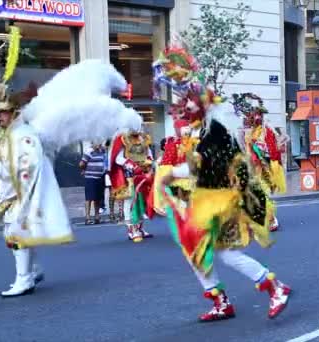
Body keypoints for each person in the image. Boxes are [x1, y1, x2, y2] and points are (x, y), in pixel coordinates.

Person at [0, 33, 141, 298]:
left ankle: (25, 277)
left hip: (25, 193)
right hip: (18, 193)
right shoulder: (13, 133)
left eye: (2, 113)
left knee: (15, 234)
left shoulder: (24, 134)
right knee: (19, 233)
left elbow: (28, 164)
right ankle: (31, 272)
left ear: (12, 114)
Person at [153, 42, 291, 322]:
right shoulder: (201, 130)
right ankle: (225, 301)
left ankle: (273, 288)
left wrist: (173, 174)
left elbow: (206, 165)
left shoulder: (215, 130)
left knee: (210, 251)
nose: (181, 111)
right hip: (208, 199)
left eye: (185, 106)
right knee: (207, 253)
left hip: (220, 201)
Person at [235, 93, 286, 231]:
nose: (254, 119)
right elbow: (241, 149)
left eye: (257, 116)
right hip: (250, 167)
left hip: (264, 168)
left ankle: (271, 219)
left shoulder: (267, 130)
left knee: (263, 193)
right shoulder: (244, 133)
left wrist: (280, 144)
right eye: (250, 117)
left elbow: (282, 140)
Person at [108, 129, 155, 243]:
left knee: (141, 201)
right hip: (129, 176)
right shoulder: (123, 139)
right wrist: (131, 164)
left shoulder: (143, 137)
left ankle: (140, 228)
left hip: (143, 174)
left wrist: (149, 163)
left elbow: (149, 154)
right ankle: (132, 230)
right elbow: (118, 158)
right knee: (131, 202)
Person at [80, 143, 106, 225]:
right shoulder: (89, 151)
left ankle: (97, 217)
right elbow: (81, 163)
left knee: (97, 198)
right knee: (89, 198)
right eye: (97, 143)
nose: (99, 144)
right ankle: (87, 217)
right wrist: (84, 170)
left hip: (99, 178)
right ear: (92, 143)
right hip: (90, 178)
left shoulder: (102, 151)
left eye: (100, 143)